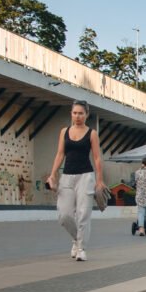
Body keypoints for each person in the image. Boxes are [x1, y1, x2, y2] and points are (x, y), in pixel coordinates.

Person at [46, 100, 104, 262]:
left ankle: (81, 248)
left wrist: (100, 180)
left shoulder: (91, 133)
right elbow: (60, 154)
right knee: (64, 214)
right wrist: (52, 174)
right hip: (67, 176)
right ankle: (76, 239)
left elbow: (97, 157)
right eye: (74, 113)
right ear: (71, 114)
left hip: (86, 176)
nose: (77, 116)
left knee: (83, 213)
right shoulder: (64, 131)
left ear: (86, 115)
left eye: (81, 113)